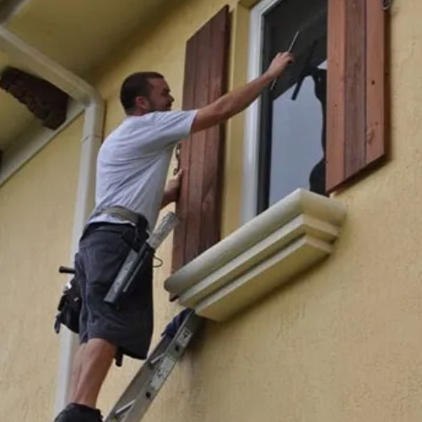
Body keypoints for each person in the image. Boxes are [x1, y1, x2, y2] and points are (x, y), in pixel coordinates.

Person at [53, 50, 294, 422]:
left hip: (96, 240)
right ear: (142, 102)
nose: (171, 99)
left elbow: (132, 196)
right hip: (117, 239)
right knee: (110, 321)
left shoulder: (117, 142)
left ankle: (75, 409)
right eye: (163, 92)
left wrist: (170, 191)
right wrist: (269, 75)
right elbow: (218, 111)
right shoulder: (148, 125)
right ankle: (82, 413)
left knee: (95, 325)